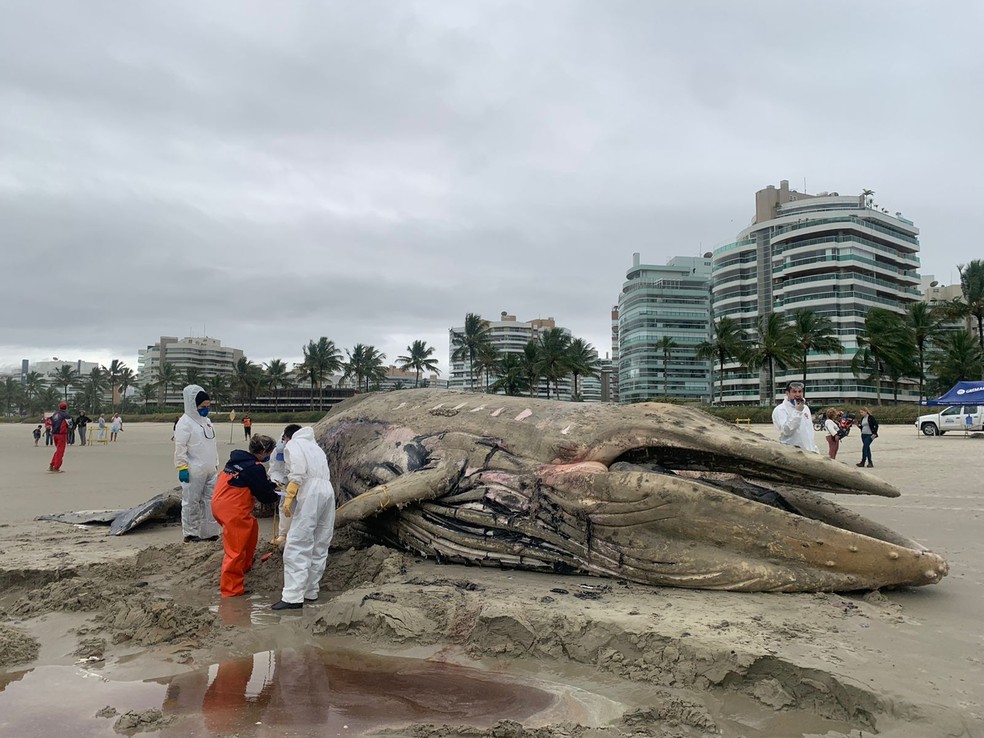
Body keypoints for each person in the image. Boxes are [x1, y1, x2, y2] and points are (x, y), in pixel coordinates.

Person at [272, 424, 335, 611]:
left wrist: (290, 494)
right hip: (327, 491)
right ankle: (310, 591)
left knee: (298, 542)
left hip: (310, 490)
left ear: (287, 437)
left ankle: (292, 597)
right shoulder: (316, 448)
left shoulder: (294, 445)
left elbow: (297, 471)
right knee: (320, 542)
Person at [211, 435, 280, 597]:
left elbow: (254, 482)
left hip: (219, 504)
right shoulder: (254, 468)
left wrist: (270, 486)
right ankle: (231, 590)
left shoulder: (237, 461)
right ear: (264, 452)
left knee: (251, 528)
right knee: (235, 550)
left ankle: (245, 565)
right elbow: (264, 495)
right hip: (232, 510)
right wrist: (276, 494)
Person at [174, 385, 220, 543]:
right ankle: (191, 533)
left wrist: (215, 463)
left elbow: (212, 444)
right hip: (193, 469)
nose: (205, 409)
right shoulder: (184, 423)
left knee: (210, 501)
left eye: (208, 406)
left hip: (210, 469)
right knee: (191, 502)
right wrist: (182, 467)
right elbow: (180, 447)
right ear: (194, 405)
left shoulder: (206, 422)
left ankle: (210, 532)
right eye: (202, 407)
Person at [268, 425, 298, 546]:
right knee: (284, 506)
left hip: (300, 482)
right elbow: (275, 468)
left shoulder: (300, 449)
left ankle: (295, 535)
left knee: (301, 508)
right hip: (285, 482)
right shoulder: (278, 451)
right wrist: (278, 481)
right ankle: (283, 534)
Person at [771, 381, 818, 453]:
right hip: (792, 452)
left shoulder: (805, 408)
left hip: (809, 451)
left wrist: (814, 449)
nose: (798, 394)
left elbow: (809, 431)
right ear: (787, 393)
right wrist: (797, 412)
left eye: (800, 391)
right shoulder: (780, 409)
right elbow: (786, 430)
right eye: (794, 392)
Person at [48, 401, 71, 472]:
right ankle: (56, 467)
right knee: (60, 451)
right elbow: (70, 425)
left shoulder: (55, 414)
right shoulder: (66, 415)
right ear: (66, 407)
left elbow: (50, 422)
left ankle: (52, 465)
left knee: (58, 450)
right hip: (62, 434)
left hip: (54, 434)